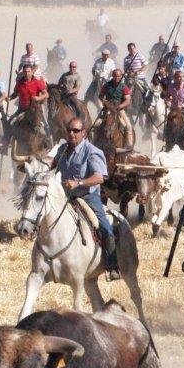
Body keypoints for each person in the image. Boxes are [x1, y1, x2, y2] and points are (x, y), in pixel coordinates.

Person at [50, 117, 118, 272]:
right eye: (69, 130)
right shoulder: (62, 150)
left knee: (104, 226)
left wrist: (78, 183)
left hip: (87, 197)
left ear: (84, 133)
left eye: (76, 131)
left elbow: (100, 177)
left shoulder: (92, 152)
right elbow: (52, 168)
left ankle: (112, 265)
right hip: (65, 196)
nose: (72, 134)